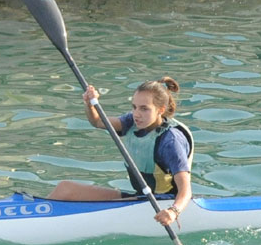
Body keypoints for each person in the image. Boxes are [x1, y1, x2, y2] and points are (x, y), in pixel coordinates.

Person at [47, 77, 194, 227]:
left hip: (163, 204)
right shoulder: (133, 122)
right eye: (134, 107)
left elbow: (186, 191)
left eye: (144, 108)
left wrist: (173, 212)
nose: (136, 114)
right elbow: (98, 121)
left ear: (161, 110)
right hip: (141, 197)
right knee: (64, 188)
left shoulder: (171, 142)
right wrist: (89, 104)